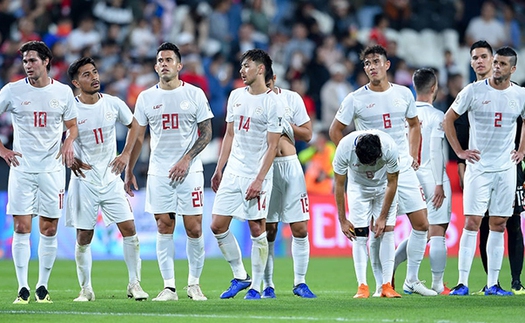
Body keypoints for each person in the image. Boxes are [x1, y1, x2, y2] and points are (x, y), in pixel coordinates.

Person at [329, 45, 436, 296]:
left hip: (400, 166)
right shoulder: (355, 98)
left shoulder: (403, 94)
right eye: (367, 63)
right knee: (379, 229)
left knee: (421, 224)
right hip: (372, 168)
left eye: (376, 61)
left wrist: (411, 155)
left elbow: (413, 124)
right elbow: (336, 131)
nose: (371, 67)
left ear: (387, 65)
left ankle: (412, 280)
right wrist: (355, 157)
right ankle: (381, 285)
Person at [126, 42, 213, 301]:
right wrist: (129, 169)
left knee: (194, 228)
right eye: (160, 60)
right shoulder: (145, 97)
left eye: (169, 60)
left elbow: (206, 133)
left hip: (190, 171)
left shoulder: (195, 94)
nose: (164, 64)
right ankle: (169, 287)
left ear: (179, 65)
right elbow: (138, 136)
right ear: (155, 66)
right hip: (159, 171)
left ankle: (194, 284)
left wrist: (186, 159)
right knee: (164, 225)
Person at [0, 40, 78, 304]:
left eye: (32, 60)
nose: (27, 65)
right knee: (21, 227)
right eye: (24, 61)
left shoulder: (64, 92)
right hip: (22, 169)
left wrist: (68, 142)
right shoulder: (12, 90)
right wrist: (3, 150)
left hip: (52, 169)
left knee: (49, 228)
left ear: (46, 61)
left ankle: (42, 286)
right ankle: (22, 288)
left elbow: (73, 126)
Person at [444, 46, 525, 296]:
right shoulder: (473, 91)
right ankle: (462, 282)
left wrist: (521, 150)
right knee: (472, 222)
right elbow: (448, 119)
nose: (496, 66)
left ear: (512, 69)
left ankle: (493, 284)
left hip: (505, 169)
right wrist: (460, 152)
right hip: (478, 168)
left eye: (502, 64)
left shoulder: (520, 94)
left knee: (499, 223)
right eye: (496, 62)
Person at [65, 57, 148, 302]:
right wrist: (67, 156)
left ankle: (134, 283)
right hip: (84, 181)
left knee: (130, 229)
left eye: (95, 72)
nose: (94, 77)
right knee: (84, 237)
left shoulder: (113, 103)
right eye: (87, 75)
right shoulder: (70, 109)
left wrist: (124, 155)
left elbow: (135, 125)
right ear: (76, 82)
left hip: (111, 177)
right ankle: (86, 289)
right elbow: (57, 139)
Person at [210, 48, 283, 300]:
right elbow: (229, 134)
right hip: (233, 171)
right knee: (217, 225)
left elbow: (273, 146)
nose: (242, 70)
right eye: (241, 66)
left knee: (256, 227)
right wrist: (219, 168)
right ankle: (241, 276)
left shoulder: (273, 102)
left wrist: (259, 179)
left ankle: (257, 286)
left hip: (257, 173)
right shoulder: (235, 96)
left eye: (247, 66)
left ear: (260, 69)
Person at [393, 68, 452, 295]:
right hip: (431, 176)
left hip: (407, 176)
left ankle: (393, 267)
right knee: (436, 231)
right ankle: (438, 284)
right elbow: (436, 151)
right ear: (434, 88)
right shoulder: (438, 116)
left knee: (419, 231)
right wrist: (438, 182)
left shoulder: (403, 115)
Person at [262, 70, 316, 299]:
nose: (264, 86)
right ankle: (267, 285)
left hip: (291, 166)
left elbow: (308, 134)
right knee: (269, 229)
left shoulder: (291, 98)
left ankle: (300, 283)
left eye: (267, 82)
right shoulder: (249, 101)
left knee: (300, 228)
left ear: (274, 79)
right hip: (266, 168)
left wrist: (287, 126)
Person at [333, 130, 401, 299]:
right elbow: (339, 186)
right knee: (360, 235)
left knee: (387, 231)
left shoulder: (390, 147)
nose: (370, 167)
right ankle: (362, 286)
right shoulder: (344, 148)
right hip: (358, 189)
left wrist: (383, 217)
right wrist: (342, 219)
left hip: (383, 188)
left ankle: (387, 286)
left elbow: (393, 183)